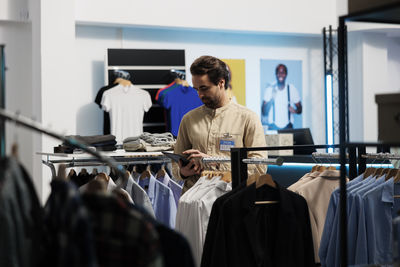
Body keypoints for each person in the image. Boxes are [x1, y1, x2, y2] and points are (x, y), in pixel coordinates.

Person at [173, 55, 267, 193]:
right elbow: (175, 166)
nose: (200, 94)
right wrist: (183, 172)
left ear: (221, 83)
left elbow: (260, 166)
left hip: (232, 200)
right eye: (196, 89)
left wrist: (215, 162)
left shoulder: (248, 118)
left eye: (204, 88)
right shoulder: (188, 119)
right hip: (193, 199)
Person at [261, 64, 302, 130]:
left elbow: (300, 109)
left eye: (283, 72)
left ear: (286, 74)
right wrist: (272, 99)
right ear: (276, 74)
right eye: (278, 72)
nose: (280, 74)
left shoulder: (292, 89)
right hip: (272, 127)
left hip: (288, 127)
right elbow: (264, 112)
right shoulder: (270, 89)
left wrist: (295, 111)